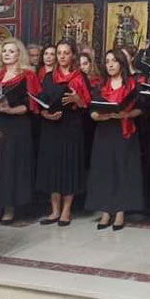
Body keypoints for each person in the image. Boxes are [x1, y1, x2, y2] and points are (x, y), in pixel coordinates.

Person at [0, 38, 41, 224]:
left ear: (19, 54)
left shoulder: (28, 76)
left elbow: (31, 105)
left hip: (16, 126)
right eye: (4, 51)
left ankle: (9, 207)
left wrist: (10, 110)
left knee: (11, 166)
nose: (6, 54)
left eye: (11, 51)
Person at [86, 49, 144, 230]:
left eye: (114, 61)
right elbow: (92, 110)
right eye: (107, 61)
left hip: (124, 132)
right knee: (104, 170)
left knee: (123, 170)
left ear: (121, 63)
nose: (110, 64)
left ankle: (120, 212)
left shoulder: (132, 85)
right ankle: (105, 211)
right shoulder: (101, 86)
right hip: (104, 131)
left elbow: (141, 109)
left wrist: (126, 114)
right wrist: (97, 116)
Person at [36, 39, 91, 227]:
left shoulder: (80, 77)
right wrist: (45, 113)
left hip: (71, 126)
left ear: (73, 55)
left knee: (69, 167)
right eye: (59, 52)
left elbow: (87, 106)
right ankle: (54, 210)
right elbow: (41, 100)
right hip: (51, 126)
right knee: (52, 167)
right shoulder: (48, 76)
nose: (62, 56)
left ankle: (66, 211)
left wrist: (77, 99)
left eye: (66, 53)